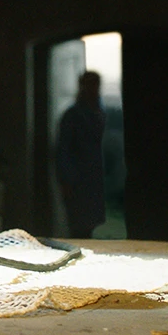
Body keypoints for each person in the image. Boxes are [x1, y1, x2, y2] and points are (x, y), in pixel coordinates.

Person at [56, 71, 106, 238]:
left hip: (97, 182)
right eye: (90, 85)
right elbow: (63, 150)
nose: (94, 89)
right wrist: (67, 181)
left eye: (96, 85)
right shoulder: (73, 116)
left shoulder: (101, 113)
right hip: (78, 183)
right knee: (80, 229)